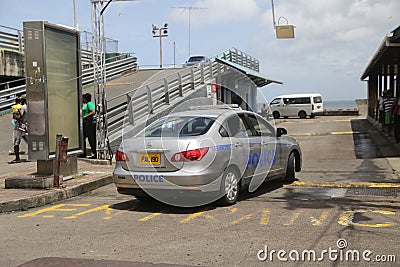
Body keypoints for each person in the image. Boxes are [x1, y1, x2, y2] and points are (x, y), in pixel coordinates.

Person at [81, 93, 97, 159]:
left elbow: (93, 111)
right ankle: (83, 152)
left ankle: (94, 152)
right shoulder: (86, 104)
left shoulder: (89, 104)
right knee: (83, 138)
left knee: (91, 138)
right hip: (86, 123)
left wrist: (85, 117)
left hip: (89, 123)